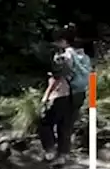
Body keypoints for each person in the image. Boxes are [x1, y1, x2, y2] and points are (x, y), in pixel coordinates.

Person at [40, 28, 76, 161]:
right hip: (73, 94)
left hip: (59, 94)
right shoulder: (78, 56)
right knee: (64, 126)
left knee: (45, 123)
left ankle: (50, 152)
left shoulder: (62, 57)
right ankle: (63, 155)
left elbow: (56, 78)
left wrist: (45, 96)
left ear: (63, 41)